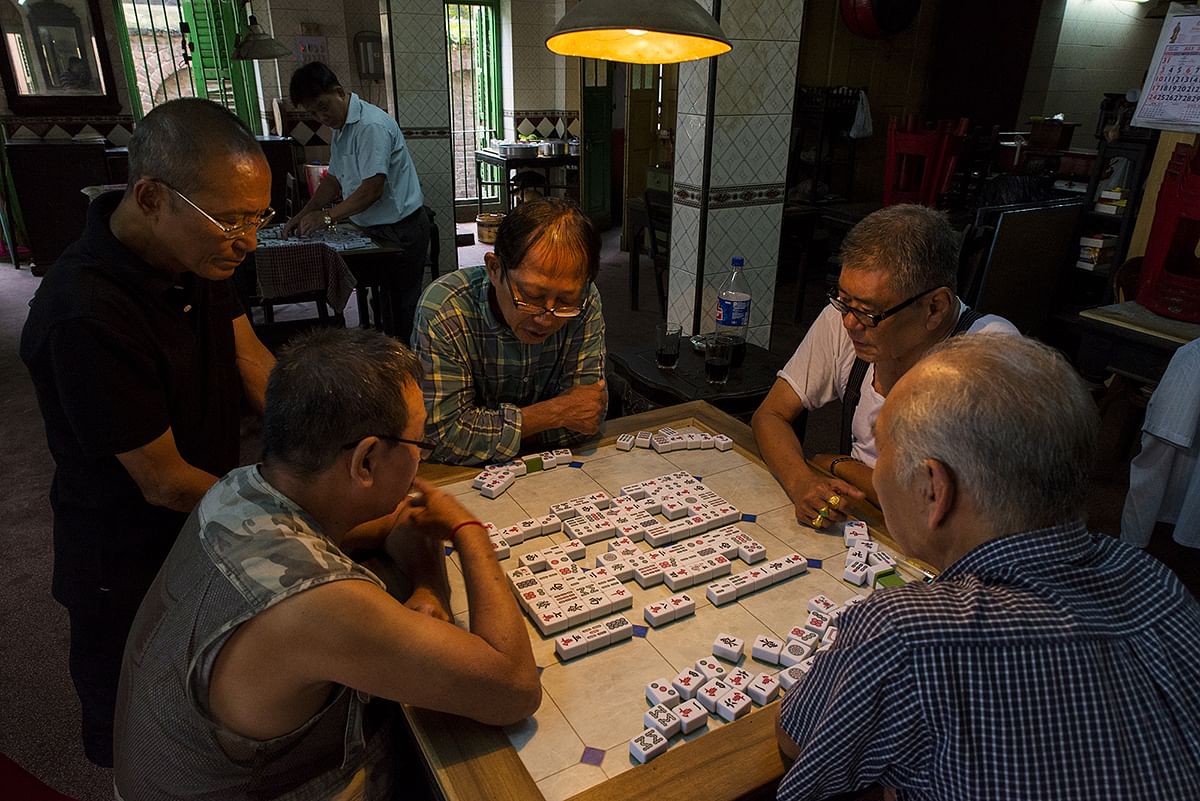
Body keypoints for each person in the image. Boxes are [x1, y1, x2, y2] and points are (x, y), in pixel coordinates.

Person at [114, 328, 541, 800]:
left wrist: (427, 587)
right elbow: (514, 690)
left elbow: (400, 521)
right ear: (365, 462)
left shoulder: (238, 490)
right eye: (419, 445)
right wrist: (469, 533)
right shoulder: (317, 602)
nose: (422, 461)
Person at [775, 335, 1200, 801]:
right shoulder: (1159, 584)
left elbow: (799, 743)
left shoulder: (906, 633)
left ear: (935, 489)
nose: (874, 473)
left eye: (881, 450)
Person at [20, 98, 276, 768]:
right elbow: (162, 480)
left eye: (258, 217)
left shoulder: (201, 254)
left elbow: (253, 365)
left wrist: (338, 429)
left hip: (204, 518)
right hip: (123, 550)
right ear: (151, 195)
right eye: (231, 217)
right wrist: (293, 512)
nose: (247, 238)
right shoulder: (83, 310)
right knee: (134, 725)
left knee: (202, 698)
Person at [752, 204, 1016, 529]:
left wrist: (838, 465)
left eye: (867, 311)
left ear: (935, 307)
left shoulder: (989, 355)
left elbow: (946, 511)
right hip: (865, 514)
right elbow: (771, 414)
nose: (849, 322)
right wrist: (801, 481)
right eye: (844, 300)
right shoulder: (846, 318)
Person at [411, 198, 607, 465]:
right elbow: (439, 438)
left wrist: (486, 433)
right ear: (494, 269)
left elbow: (586, 418)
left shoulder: (584, 300)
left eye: (564, 301)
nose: (545, 318)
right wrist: (554, 413)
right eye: (531, 296)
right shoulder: (445, 309)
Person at [284, 61, 429, 341]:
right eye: (313, 112)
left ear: (338, 91)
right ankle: (387, 355)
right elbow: (333, 180)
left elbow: (372, 189)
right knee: (383, 304)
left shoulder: (370, 125)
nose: (320, 116)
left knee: (402, 307)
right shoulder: (342, 128)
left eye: (323, 106)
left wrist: (327, 217)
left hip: (401, 230)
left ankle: (409, 370)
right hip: (376, 229)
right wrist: (303, 214)